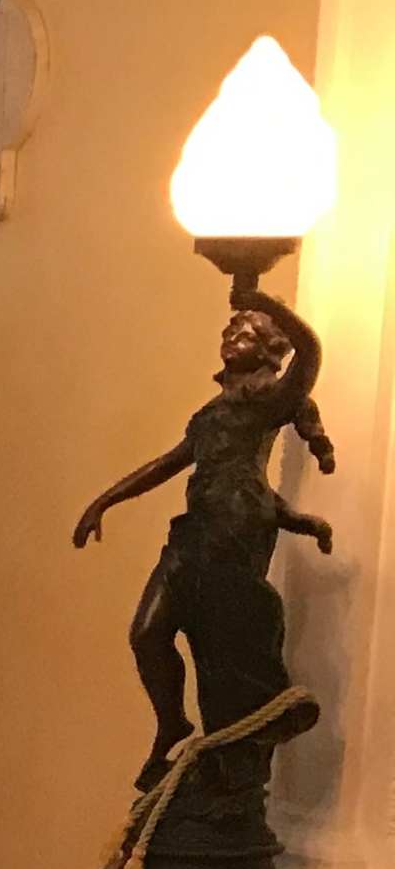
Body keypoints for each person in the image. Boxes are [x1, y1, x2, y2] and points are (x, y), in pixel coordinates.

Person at [73, 294, 335, 791]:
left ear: (268, 349)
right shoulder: (209, 415)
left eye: (245, 333)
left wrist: (264, 301)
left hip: (236, 536)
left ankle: (235, 756)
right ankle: (173, 721)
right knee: (147, 634)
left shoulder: (269, 401)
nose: (231, 337)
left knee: (225, 649)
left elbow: (310, 353)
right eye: (229, 332)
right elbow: (169, 463)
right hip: (193, 535)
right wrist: (104, 502)